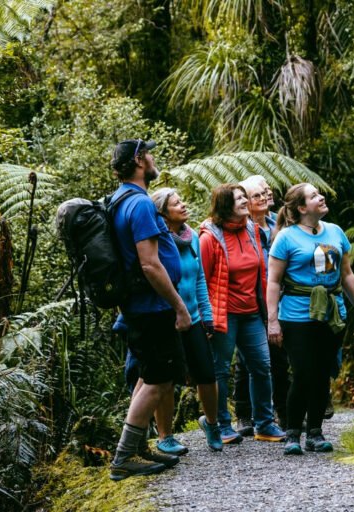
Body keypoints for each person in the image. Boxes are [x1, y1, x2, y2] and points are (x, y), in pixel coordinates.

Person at [107, 138, 192, 481]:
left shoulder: (119, 200)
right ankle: (124, 457)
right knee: (158, 380)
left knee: (147, 375)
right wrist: (179, 306)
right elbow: (150, 265)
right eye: (150, 153)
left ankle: (139, 447)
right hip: (152, 306)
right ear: (140, 160)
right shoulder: (140, 204)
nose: (154, 159)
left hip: (139, 306)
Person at [266, 183, 354, 455]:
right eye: (314, 196)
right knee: (302, 372)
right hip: (297, 315)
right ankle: (293, 433)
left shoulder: (335, 232)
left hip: (332, 314)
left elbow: (346, 274)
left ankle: (315, 432)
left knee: (323, 372)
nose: (321, 197)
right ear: (302, 208)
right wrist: (273, 320)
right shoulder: (286, 238)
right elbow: (274, 281)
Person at [199, 184, 286, 444]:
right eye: (239, 198)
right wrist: (205, 317)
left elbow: (263, 270)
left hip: (251, 312)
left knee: (262, 366)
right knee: (221, 370)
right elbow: (201, 278)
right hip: (224, 314)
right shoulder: (209, 237)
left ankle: (264, 423)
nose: (245, 202)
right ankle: (221, 424)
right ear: (225, 204)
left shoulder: (251, 229)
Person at [149, 187, 223, 453]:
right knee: (166, 379)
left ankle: (212, 424)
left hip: (193, 318)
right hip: (167, 320)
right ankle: (165, 436)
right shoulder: (156, 240)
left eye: (182, 200)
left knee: (207, 373)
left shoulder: (192, 237)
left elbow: (200, 278)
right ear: (162, 212)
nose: (183, 205)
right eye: (176, 203)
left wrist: (207, 316)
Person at [232, 177, 289, 434]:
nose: (264, 198)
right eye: (256, 196)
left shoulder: (280, 223)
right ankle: (244, 414)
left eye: (265, 193)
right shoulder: (239, 229)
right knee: (248, 359)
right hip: (251, 298)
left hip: (280, 295)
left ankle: (282, 411)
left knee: (277, 356)